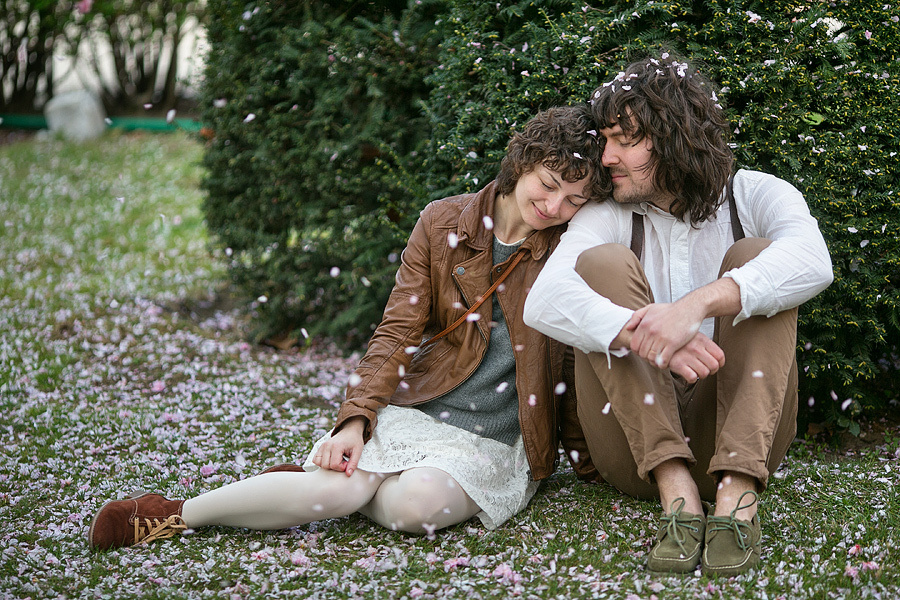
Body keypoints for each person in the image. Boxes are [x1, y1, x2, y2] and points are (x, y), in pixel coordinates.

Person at [87, 104, 609, 551]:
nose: (554, 207)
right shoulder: (443, 223)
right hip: (423, 405)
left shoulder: (569, 249)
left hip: (494, 437)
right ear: (522, 164)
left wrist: (589, 463)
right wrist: (355, 420)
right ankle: (174, 513)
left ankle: (304, 490)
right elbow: (398, 330)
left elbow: (569, 363)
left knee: (414, 509)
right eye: (548, 185)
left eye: (573, 200)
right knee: (341, 490)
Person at [523, 55, 833, 575]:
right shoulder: (609, 215)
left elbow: (813, 262)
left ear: (672, 138)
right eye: (606, 140)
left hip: (742, 434)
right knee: (599, 265)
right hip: (636, 449)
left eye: (625, 140)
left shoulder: (755, 194)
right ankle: (677, 494)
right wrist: (646, 332)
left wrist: (696, 307)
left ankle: (737, 496)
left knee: (760, 260)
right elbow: (545, 299)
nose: (607, 157)